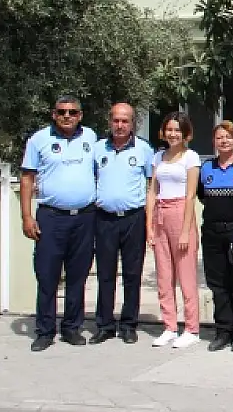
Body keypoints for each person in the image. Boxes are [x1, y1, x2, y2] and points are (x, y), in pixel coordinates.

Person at [20, 96, 98, 351]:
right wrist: (27, 216)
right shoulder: (39, 140)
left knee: (78, 276)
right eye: (62, 112)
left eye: (72, 112)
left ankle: (71, 328)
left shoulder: (91, 138)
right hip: (51, 218)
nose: (67, 116)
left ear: (80, 115)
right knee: (47, 276)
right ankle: (44, 331)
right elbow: (27, 178)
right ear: (54, 114)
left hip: (84, 217)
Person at [91, 103, 154, 345]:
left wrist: (150, 222)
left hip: (133, 219)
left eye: (125, 121)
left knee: (132, 273)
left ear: (133, 124)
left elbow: (152, 186)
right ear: (110, 122)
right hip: (104, 218)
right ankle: (104, 325)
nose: (120, 125)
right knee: (105, 274)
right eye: (116, 120)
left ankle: (128, 325)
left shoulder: (144, 150)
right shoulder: (98, 149)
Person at [146, 111, 202, 349]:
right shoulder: (158, 157)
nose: (173, 133)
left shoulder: (191, 157)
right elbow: (152, 192)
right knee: (164, 276)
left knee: (186, 275)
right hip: (161, 213)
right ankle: (169, 326)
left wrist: (186, 231)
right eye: (169, 129)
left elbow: (190, 195)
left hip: (181, 212)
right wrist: (149, 225)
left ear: (185, 133)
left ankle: (191, 328)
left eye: (177, 130)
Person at [198, 121, 233, 352]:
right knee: (217, 284)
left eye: (228, 137)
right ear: (214, 141)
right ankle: (223, 331)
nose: (224, 141)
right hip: (211, 231)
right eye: (219, 137)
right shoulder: (206, 167)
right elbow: (202, 197)